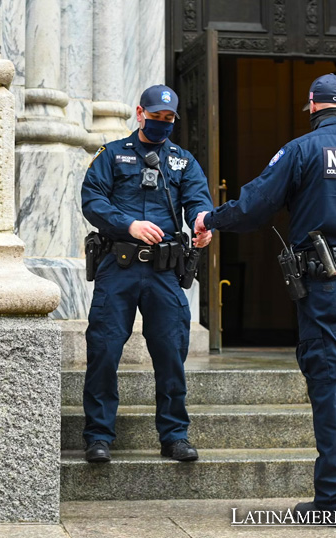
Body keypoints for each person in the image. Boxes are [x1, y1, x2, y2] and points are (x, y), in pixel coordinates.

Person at [194, 74, 336, 521]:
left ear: (312, 106)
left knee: (330, 386)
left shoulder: (301, 150)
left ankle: (332, 500)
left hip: (325, 282)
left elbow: (255, 207)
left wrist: (211, 220)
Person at [80, 84, 214, 463]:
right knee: (104, 350)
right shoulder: (112, 155)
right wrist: (129, 225)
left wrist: (203, 226)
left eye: (168, 119)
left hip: (164, 271)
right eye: (156, 117)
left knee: (171, 353)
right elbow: (92, 200)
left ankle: (174, 436)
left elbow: (198, 201)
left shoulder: (183, 162)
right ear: (140, 113)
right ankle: (99, 436)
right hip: (118, 267)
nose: (161, 124)